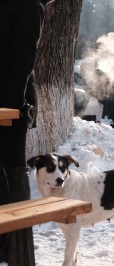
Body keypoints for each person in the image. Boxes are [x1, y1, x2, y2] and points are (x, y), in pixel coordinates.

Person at [0, 0, 55, 265]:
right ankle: (2, 244)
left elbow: (24, 57)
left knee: (11, 169)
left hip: (13, 102)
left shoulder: (28, 5)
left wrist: (9, 105)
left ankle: (18, 250)